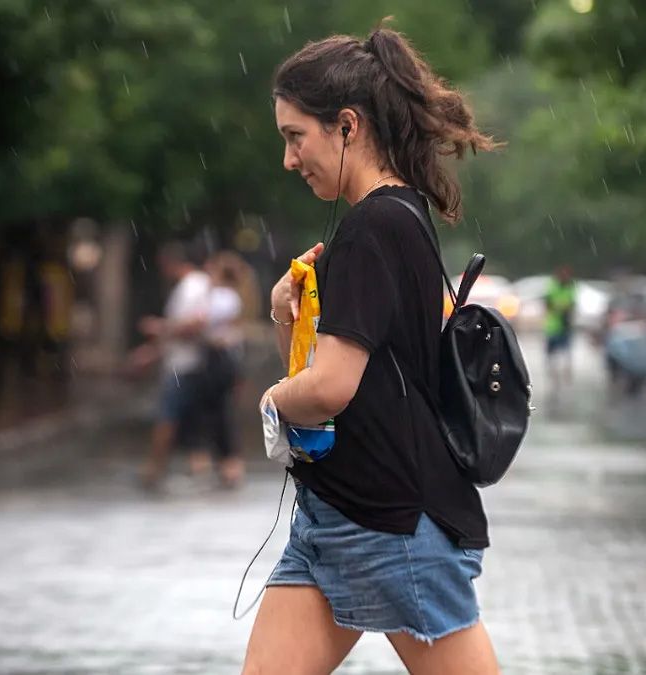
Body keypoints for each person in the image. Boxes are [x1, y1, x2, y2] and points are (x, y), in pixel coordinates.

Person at [243, 23, 501, 674]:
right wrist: (283, 314)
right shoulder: (399, 215)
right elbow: (323, 381)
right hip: (334, 518)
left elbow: (327, 389)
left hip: (390, 526)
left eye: (295, 136)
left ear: (347, 126)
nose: (289, 159)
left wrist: (268, 403)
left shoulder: (372, 228)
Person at [136, 242, 212, 490]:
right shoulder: (193, 285)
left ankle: (155, 468)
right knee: (191, 418)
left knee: (168, 416)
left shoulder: (192, 286)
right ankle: (198, 466)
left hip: (184, 365)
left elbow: (196, 323)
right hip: (183, 362)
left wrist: (160, 328)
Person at [201, 251, 248, 489]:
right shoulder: (232, 296)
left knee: (219, 411)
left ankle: (229, 463)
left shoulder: (222, 296)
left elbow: (205, 321)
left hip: (219, 357)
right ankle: (224, 462)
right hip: (223, 358)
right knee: (218, 411)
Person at [543, 265, 577, 389]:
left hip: (566, 325)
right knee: (552, 352)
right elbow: (548, 303)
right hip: (553, 326)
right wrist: (561, 307)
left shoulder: (571, 287)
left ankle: (565, 374)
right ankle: (553, 374)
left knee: (566, 352)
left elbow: (572, 304)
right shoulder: (553, 286)